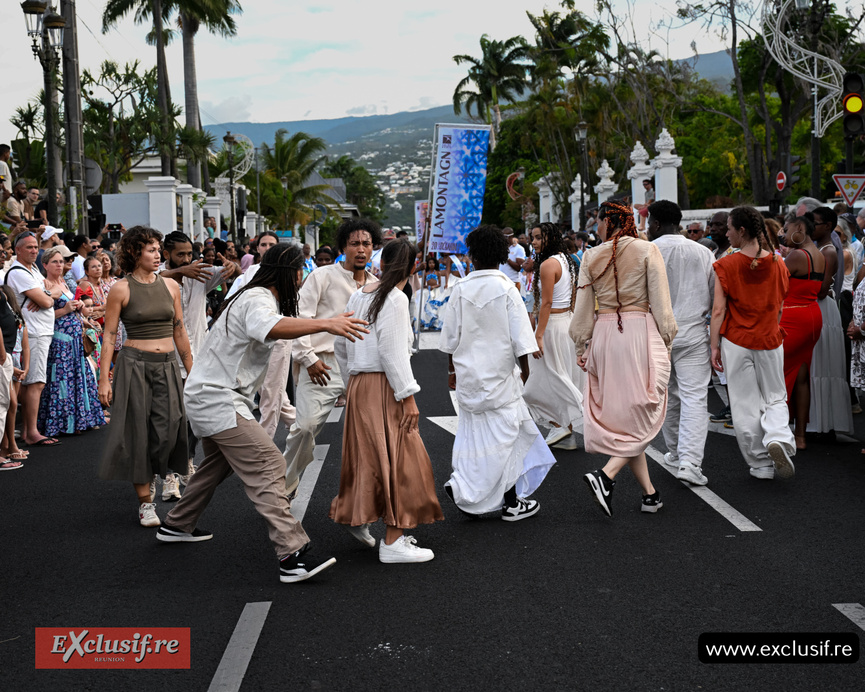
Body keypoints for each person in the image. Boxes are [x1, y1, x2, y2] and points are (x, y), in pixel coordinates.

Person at [158, 243, 368, 584]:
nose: (302, 279)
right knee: (270, 462)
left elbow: (279, 322)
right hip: (216, 399)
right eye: (299, 271)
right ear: (287, 273)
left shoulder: (256, 296)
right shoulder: (257, 300)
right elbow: (270, 328)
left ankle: (176, 523)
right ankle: (291, 554)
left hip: (213, 396)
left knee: (217, 464)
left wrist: (322, 323)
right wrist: (327, 325)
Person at [330, 239, 444, 561]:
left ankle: (358, 515)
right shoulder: (394, 299)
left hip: (359, 385)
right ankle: (393, 540)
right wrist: (408, 396)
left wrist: (350, 378)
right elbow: (392, 353)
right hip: (383, 387)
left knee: (366, 456)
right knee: (403, 459)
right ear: (412, 267)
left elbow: (341, 344)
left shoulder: (359, 294)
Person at [440, 225, 555, 519]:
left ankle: (464, 485)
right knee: (509, 438)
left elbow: (450, 338)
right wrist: (527, 373)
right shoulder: (506, 288)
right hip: (501, 379)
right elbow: (521, 340)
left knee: (471, 437)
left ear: (472, 257)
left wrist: (451, 370)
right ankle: (510, 501)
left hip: (469, 378)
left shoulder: (460, 289)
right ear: (502, 256)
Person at [570, 201, 677, 516]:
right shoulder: (646, 251)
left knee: (628, 417)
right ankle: (606, 475)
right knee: (642, 410)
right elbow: (661, 304)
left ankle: (650, 495)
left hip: (605, 334)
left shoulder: (591, 255)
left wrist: (582, 346)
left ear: (609, 221)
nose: (596, 226)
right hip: (639, 332)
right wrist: (668, 339)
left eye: (599, 221)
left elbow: (583, 309)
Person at [97, 226, 193, 528]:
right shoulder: (121, 289)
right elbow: (109, 335)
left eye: (158, 249)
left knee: (170, 427)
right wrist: (104, 379)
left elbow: (179, 329)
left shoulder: (171, 286)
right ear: (135, 252)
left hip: (167, 365)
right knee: (137, 431)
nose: (158, 255)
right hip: (134, 365)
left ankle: (153, 471)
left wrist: (194, 370)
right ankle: (145, 502)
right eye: (151, 249)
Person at [284, 219, 379, 499]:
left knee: (371, 436)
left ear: (374, 248)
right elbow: (300, 320)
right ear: (343, 247)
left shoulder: (376, 285)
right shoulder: (322, 276)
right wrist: (309, 359)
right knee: (305, 427)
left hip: (362, 368)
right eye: (354, 244)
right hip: (322, 365)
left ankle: (362, 505)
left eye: (366, 244)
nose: (360, 249)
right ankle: (283, 487)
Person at [710, 206, 795, 480]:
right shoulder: (779, 264)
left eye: (730, 228)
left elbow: (718, 311)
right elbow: (780, 307)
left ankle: (760, 464)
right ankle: (778, 436)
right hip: (769, 337)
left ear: (742, 231)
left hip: (736, 340)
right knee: (775, 396)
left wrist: (714, 346)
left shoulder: (725, 265)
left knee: (744, 402)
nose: (727, 233)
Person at [159, 231, 240, 492]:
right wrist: (179, 272)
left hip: (197, 355)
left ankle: (186, 464)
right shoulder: (158, 276)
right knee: (169, 418)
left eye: (189, 254)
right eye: (179, 255)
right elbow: (145, 281)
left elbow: (235, 273)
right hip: (165, 355)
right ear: (166, 255)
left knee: (192, 415)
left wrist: (231, 266)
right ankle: (167, 474)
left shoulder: (200, 275)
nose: (186, 259)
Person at [647, 200, 715, 486]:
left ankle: (675, 452)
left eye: (649, 222)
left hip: (657, 335)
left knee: (667, 396)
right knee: (694, 397)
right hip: (694, 333)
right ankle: (689, 461)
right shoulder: (703, 252)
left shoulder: (649, 251)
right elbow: (714, 296)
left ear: (656, 223)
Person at [522, 222, 583, 450]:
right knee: (559, 375)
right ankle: (565, 431)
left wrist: (538, 335)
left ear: (550, 238)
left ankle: (563, 424)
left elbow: (546, 303)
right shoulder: (566, 260)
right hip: (564, 323)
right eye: (532, 238)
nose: (534, 242)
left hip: (553, 327)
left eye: (538, 237)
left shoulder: (549, 264)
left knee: (541, 381)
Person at [37, 247, 105, 437]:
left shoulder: (66, 284)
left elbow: (71, 310)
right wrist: (67, 309)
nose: (59, 265)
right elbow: (43, 316)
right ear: (45, 265)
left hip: (75, 338)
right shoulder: (44, 284)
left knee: (79, 378)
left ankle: (81, 420)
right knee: (61, 381)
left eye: (61, 261)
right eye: (55, 262)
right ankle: (63, 423)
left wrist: (82, 314)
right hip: (60, 340)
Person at [4, 232, 62, 447]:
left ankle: (30, 429)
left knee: (35, 382)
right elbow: (46, 301)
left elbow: (54, 289)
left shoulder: (35, 269)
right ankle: (31, 432)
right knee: (34, 383)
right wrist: (46, 296)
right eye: (28, 247)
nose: (34, 251)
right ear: (17, 250)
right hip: (34, 332)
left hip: (41, 331)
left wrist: (47, 294)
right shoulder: (19, 272)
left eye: (35, 247)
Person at [805, 206, 854, 437]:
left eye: (814, 222)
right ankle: (815, 420)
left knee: (821, 365)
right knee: (815, 365)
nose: (810, 226)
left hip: (822, 309)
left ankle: (823, 423)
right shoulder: (816, 248)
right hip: (815, 308)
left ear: (828, 226)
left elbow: (823, 290)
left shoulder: (828, 252)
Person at [778, 215, 824, 450]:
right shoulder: (819, 255)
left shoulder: (797, 255)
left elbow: (775, 283)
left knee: (781, 374)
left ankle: (779, 434)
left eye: (786, 230)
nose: (783, 235)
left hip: (793, 317)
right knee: (802, 376)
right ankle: (801, 437)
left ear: (799, 228)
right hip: (813, 316)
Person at [0, 287, 29, 464]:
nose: (4, 256)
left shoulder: (15, 314)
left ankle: (8, 446)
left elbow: (25, 344)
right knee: (5, 403)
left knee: (9, 403)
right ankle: (6, 446)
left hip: (11, 357)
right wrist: (3, 357)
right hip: (5, 357)